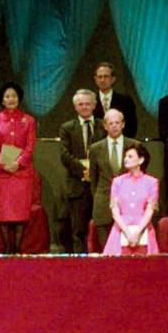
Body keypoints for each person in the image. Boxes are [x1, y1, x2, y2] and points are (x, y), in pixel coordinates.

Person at [0, 82, 37, 253]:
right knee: (4, 216)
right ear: (2, 100)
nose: (11, 99)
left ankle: (18, 250)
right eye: (7, 96)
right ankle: (8, 251)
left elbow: (30, 146)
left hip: (22, 174)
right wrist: (4, 164)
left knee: (21, 216)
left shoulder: (29, 120)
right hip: (2, 174)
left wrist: (18, 163)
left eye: (14, 96)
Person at [59, 89, 98, 254]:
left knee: (100, 228)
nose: (84, 107)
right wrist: (84, 171)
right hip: (77, 186)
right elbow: (65, 155)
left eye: (88, 103)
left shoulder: (104, 125)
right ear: (75, 107)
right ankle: (80, 263)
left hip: (100, 186)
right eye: (80, 104)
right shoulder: (67, 128)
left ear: (94, 105)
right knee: (78, 230)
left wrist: (94, 172)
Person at [89, 110, 136, 245]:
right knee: (107, 252)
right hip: (103, 206)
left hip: (129, 207)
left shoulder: (134, 146)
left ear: (123, 124)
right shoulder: (95, 148)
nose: (114, 126)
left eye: (117, 123)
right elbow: (94, 179)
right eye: (111, 123)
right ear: (105, 126)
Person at [104, 142, 159, 255]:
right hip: (120, 229)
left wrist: (137, 232)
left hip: (143, 229)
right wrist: (127, 232)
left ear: (141, 160)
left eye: (130, 156)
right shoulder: (117, 182)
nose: (126, 159)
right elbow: (115, 211)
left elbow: (150, 210)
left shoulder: (152, 182)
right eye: (125, 156)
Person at [93, 62, 139, 140]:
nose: (102, 80)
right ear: (95, 79)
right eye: (99, 77)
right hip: (97, 147)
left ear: (113, 79)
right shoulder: (90, 102)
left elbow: (132, 126)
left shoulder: (125, 101)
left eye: (106, 76)